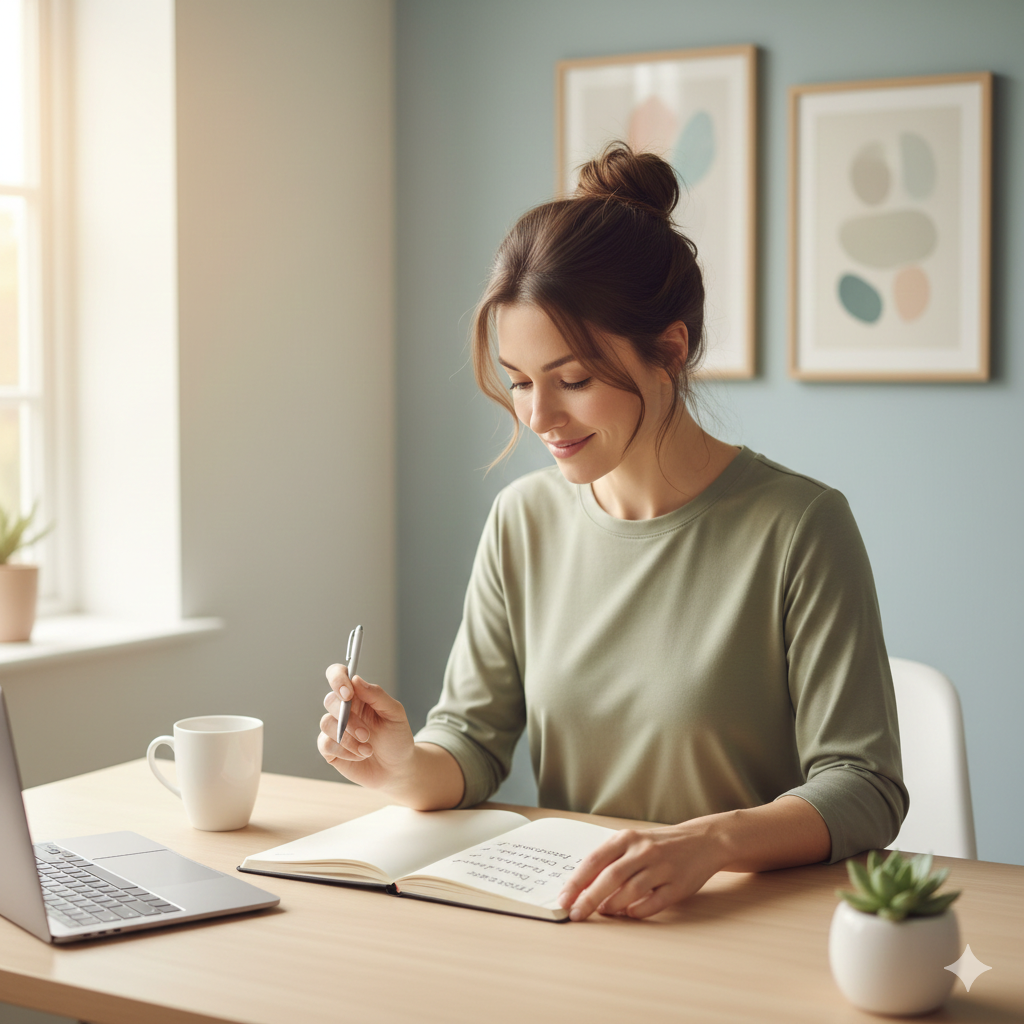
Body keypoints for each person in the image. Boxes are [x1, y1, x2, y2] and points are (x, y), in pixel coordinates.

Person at [318, 143, 907, 922]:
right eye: (521, 382)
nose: (538, 417)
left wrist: (711, 843)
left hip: (745, 920)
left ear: (671, 348)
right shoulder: (522, 521)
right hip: (582, 919)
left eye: (574, 381)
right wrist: (399, 761)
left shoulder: (799, 526)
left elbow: (864, 786)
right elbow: (473, 742)